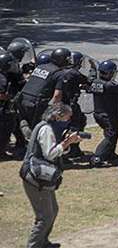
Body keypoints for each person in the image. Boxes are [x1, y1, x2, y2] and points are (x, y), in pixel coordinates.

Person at [20, 103, 82, 248]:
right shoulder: (46, 129)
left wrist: (66, 144)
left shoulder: (45, 126)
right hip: (36, 179)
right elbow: (50, 154)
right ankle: (34, 245)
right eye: (67, 117)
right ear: (57, 116)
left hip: (38, 177)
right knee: (45, 216)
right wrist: (67, 143)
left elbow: (52, 151)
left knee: (53, 210)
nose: (68, 120)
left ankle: (43, 243)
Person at [18, 48, 70, 142]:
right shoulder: (60, 74)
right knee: (40, 129)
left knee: (29, 124)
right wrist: (51, 111)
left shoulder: (40, 67)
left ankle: (24, 127)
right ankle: (35, 151)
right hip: (36, 103)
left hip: (22, 98)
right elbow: (57, 96)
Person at [89, 61, 118, 167]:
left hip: (99, 113)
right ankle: (97, 157)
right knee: (110, 136)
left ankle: (109, 153)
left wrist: (92, 68)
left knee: (113, 133)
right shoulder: (109, 85)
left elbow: (91, 78)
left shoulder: (95, 82)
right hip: (107, 115)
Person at [57, 51, 91, 160]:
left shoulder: (61, 70)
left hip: (60, 104)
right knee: (77, 124)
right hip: (70, 105)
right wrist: (93, 70)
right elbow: (88, 81)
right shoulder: (74, 73)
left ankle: (71, 149)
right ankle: (72, 149)